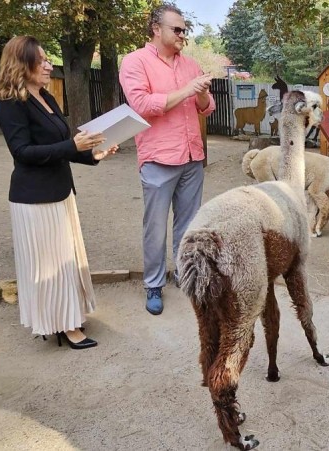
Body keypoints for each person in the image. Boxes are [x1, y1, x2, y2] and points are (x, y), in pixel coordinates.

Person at [0, 36, 118, 349]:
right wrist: (72, 145)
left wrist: (93, 154)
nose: (49, 65)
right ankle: (65, 326)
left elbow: (61, 147)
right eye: (43, 60)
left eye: (48, 59)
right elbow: (22, 152)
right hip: (35, 198)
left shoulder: (45, 96)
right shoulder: (10, 103)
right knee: (51, 266)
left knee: (66, 261)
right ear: (23, 64)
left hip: (60, 192)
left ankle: (68, 316)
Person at [119, 4, 215, 315]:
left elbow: (207, 107)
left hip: (191, 156)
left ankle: (184, 277)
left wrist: (200, 92)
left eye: (184, 29)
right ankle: (153, 284)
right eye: (176, 29)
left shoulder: (190, 64)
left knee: (189, 225)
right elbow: (143, 104)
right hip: (158, 157)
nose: (182, 34)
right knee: (155, 226)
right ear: (156, 29)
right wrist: (188, 89)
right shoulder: (135, 62)